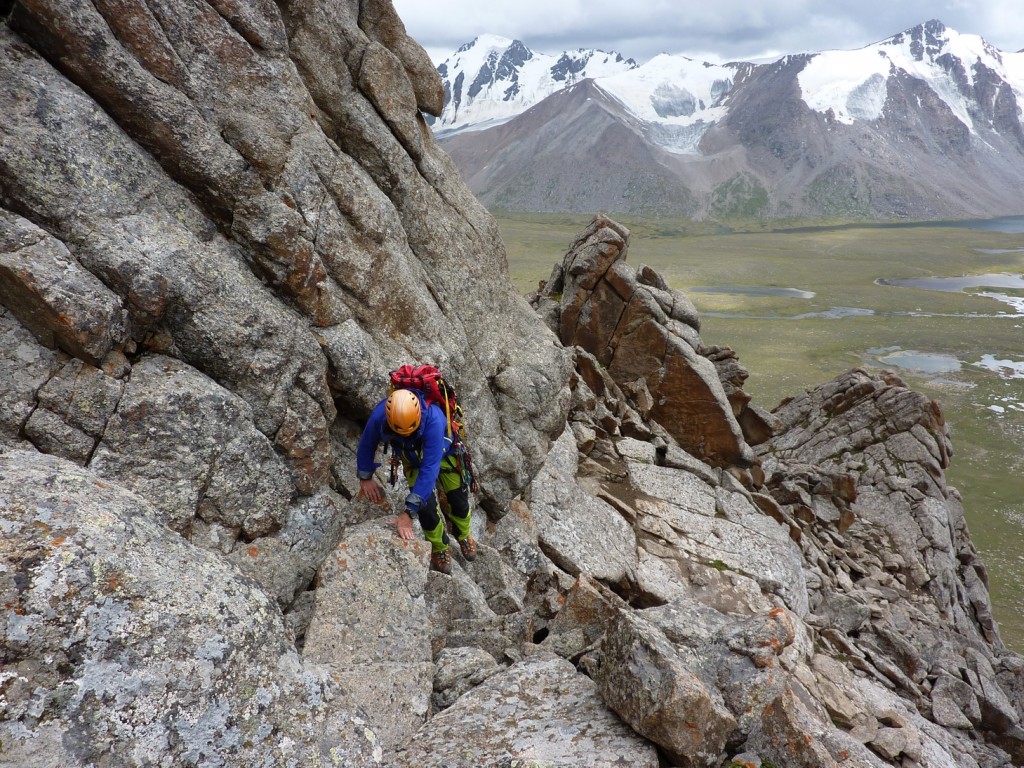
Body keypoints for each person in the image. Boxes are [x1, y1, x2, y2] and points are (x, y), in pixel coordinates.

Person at [356, 388, 477, 574]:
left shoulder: (435, 420)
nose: (406, 434)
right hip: (411, 457)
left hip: (445, 454)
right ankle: (439, 547)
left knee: (458, 499)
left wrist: (408, 512)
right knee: (426, 508)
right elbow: (367, 442)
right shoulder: (380, 415)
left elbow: (430, 469)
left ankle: (464, 534)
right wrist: (365, 476)